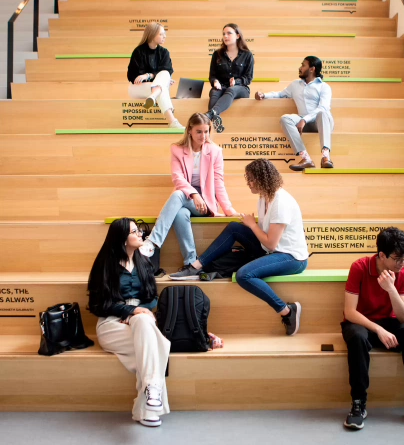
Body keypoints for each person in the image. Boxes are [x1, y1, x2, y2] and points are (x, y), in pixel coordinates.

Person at [172, 159, 308, 336]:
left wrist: (252, 225)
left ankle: (287, 311)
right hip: (272, 250)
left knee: (244, 275)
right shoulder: (264, 198)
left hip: (291, 258)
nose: (248, 183)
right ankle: (196, 266)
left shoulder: (281, 202)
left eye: (252, 179)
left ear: (263, 179)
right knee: (234, 228)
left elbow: (271, 243)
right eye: (248, 178)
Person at [341, 227, 404, 431]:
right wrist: (378, 330)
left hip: (390, 323)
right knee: (357, 338)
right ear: (382, 255)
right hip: (362, 322)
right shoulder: (359, 267)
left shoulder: (403, 272)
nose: (402, 263)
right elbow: (350, 312)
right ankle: (358, 403)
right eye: (397, 259)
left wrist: (391, 289)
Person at [87, 218, 169, 427]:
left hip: (140, 324)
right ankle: (148, 408)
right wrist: (129, 311)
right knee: (156, 346)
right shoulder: (105, 264)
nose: (141, 234)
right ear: (123, 238)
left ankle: (150, 394)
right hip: (112, 325)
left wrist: (138, 312)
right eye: (135, 231)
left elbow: (153, 297)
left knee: (143, 325)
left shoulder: (143, 261)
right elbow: (97, 305)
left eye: (139, 230)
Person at [139, 113, 237, 276]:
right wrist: (193, 194)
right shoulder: (177, 150)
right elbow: (178, 178)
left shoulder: (215, 151)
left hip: (204, 204)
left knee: (178, 195)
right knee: (180, 213)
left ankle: (153, 242)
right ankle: (190, 261)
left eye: (206, 131)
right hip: (186, 199)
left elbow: (218, 182)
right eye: (199, 131)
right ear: (189, 130)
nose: (204, 136)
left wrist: (229, 210)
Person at [255, 56, 334, 171]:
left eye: (303, 65)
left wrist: (304, 119)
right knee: (285, 118)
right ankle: (305, 158)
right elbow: (280, 94)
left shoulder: (324, 87)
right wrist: (264, 95)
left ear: (312, 69)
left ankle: (326, 157)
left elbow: (323, 107)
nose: (300, 68)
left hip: (321, 122)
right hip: (303, 121)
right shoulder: (295, 85)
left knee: (322, 113)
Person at [127, 22, 182, 128]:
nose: (164, 36)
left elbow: (167, 71)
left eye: (164, 34)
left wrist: (149, 76)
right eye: (161, 34)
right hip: (137, 88)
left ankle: (154, 97)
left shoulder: (164, 52)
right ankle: (173, 122)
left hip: (152, 89)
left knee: (164, 75)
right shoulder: (138, 52)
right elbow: (132, 76)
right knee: (162, 86)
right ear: (152, 35)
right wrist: (161, 80)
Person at [206, 23, 254, 134]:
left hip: (241, 89)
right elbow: (212, 75)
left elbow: (248, 78)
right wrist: (215, 81)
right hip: (221, 86)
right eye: (224, 34)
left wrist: (237, 81)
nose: (225, 36)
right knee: (214, 91)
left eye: (229, 33)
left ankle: (209, 115)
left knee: (231, 90)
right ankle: (214, 120)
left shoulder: (247, 55)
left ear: (238, 36)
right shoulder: (217, 54)